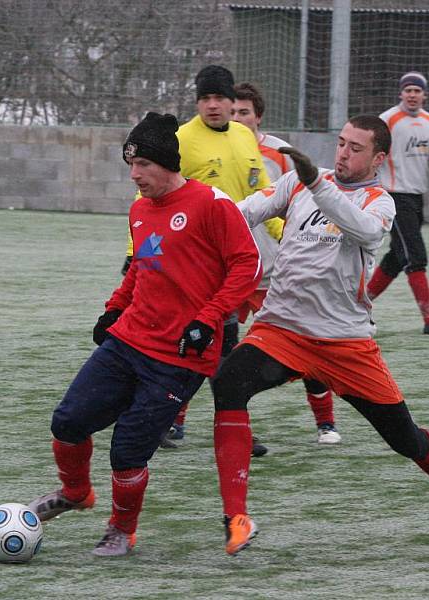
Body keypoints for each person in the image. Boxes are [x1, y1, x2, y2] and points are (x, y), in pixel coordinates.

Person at [210, 115, 429, 556]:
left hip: (345, 342)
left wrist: (316, 186)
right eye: (340, 143)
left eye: (355, 148)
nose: (343, 153)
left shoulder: (381, 202)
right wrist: (200, 203)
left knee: (405, 440)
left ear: (378, 158)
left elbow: (363, 230)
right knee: (228, 384)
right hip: (281, 329)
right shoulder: (301, 182)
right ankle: (236, 517)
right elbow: (244, 211)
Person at [28, 112, 262, 557]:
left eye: (143, 166)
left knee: (128, 449)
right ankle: (76, 493)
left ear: (168, 164)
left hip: (180, 354)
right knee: (67, 422)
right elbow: (142, 264)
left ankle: (122, 529)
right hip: (130, 339)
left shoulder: (212, 204)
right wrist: (114, 308)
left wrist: (207, 318)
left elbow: (247, 266)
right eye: (130, 166)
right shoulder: (139, 209)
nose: (135, 175)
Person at [126, 66, 273, 452]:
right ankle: (165, 421)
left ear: (232, 101)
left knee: (222, 350)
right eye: (205, 98)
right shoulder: (182, 139)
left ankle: (229, 427)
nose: (213, 105)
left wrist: (281, 233)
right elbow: (149, 197)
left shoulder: (244, 137)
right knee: (182, 345)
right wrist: (134, 255)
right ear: (197, 102)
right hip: (182, 261)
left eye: (220, 98)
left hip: (229, 263)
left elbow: (263, 189)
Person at [232, 81, 341, 445]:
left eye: (243, 112)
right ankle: (178, 422)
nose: (236, 118)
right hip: (229, 268)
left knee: (305, 338)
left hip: (273, 268)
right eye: (231, 112)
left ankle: (325, 422)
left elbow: (302, 201)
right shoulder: (210, 146)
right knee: (209, 344)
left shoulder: (279, 153)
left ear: (258, 116)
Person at [367, 72, 429, 335]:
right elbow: (371, 149)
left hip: (416, 197)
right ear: (401, 93)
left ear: (424, 95)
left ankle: (358, 305)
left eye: (417, 91)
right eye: (408, 90)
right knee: (415, 256)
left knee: (397, 257)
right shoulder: (388, 119)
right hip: (394, 196)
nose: (413, 95)